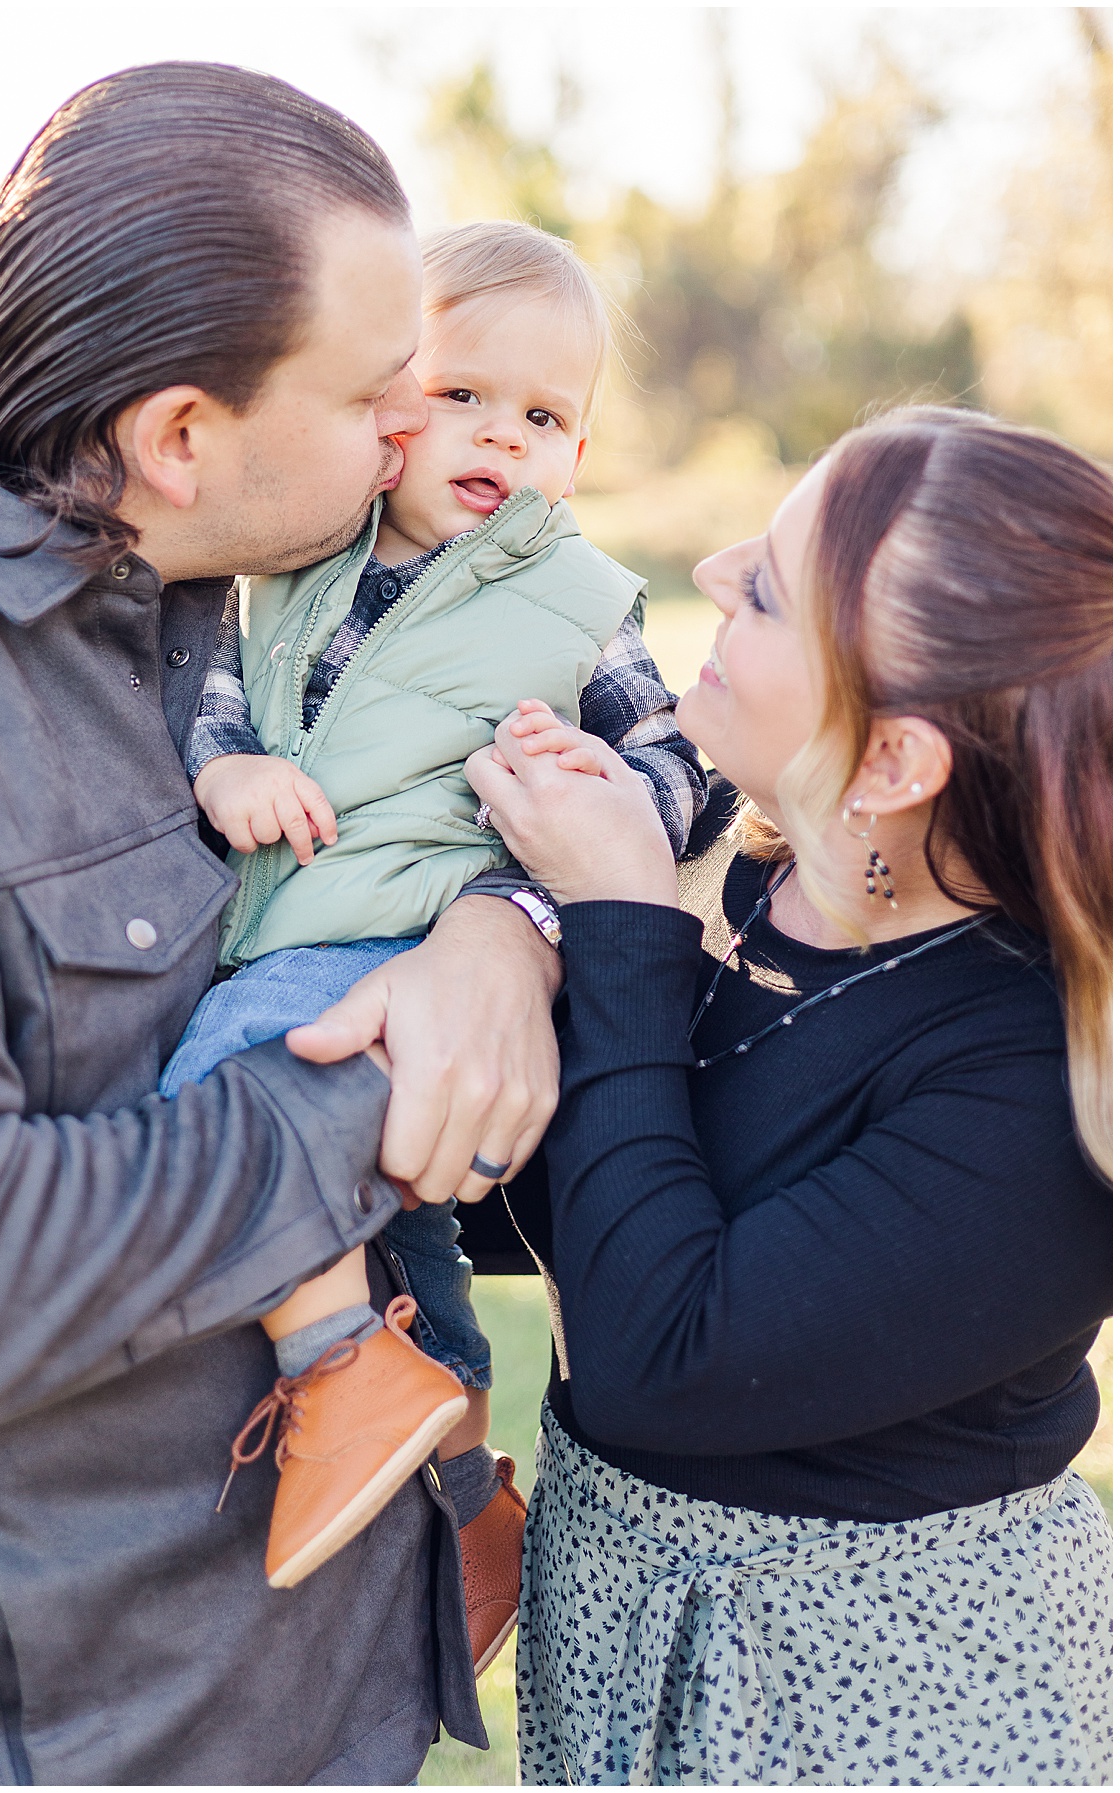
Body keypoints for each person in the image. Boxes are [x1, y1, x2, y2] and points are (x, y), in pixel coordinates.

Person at [0, 64, 567, 1787]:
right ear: (183, 433)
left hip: (344, 1694)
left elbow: (491, 814)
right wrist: (387, 1077)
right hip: (109, 1738)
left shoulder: (286, 600)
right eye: (379, 391)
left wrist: (507, 938)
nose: (412, 431)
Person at [468, 406, 1113, 1785]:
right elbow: (586, 1189)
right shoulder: (774, 889)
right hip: (634, 1661)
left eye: (765, 589)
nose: (708, 570)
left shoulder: (1039, 1092)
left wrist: (618, 920)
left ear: (892, 762)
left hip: (875, 1707)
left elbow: (660, 1355)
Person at [157, 220, 705, 1608]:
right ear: (384, 397)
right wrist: (227, 767)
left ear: (579, 451)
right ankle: (465, 1485)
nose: (498, 437)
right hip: (293, 912)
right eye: (460, 393)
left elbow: (681, 759)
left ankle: (334, 1364)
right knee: (415, 1240)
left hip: (410, 939)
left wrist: (603, 785)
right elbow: (219, 692)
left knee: (222, 1088)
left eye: (543, 415)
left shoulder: (574, 599)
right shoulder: (292, 557)